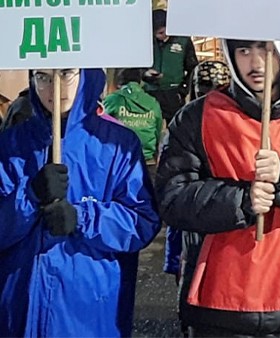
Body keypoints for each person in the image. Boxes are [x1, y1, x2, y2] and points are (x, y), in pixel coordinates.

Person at [156, 40, 280, 337]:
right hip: (218, 308)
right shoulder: (197, 117)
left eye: (266, 49)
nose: (255, 62)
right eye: (244, 51)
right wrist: (241, 200)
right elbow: (172, 198)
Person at [0, 68, 161, 336]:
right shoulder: (10, 146)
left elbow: (141, 222)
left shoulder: (118, 145)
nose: (54, 86)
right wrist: (28, 197)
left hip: (88, 312)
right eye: (42, 77)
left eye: (66, 74)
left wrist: (82, 217)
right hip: (17, 310)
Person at [162, 59, 232, 335]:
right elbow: (173, 191)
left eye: (217, 89)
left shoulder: (239, 127)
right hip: (193, 230)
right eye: (204, 89)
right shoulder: (185, 125)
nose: (210, 96)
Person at [144, 9, 198, 124]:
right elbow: (135, 67)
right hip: (150, 92)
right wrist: (145, 74)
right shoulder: (145, 41)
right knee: (150, 127)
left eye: (162, 32)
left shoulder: (183, 40)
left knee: (175, 127)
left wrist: (183, 90)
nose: (161, 36)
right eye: (156, 33)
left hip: (173, 93)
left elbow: (193, 68)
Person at [103, 67, 163, 164]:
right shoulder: (153, 102)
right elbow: (158, 130)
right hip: (146, 158)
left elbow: (101, 126)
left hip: (119, 158)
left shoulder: (113, 99)